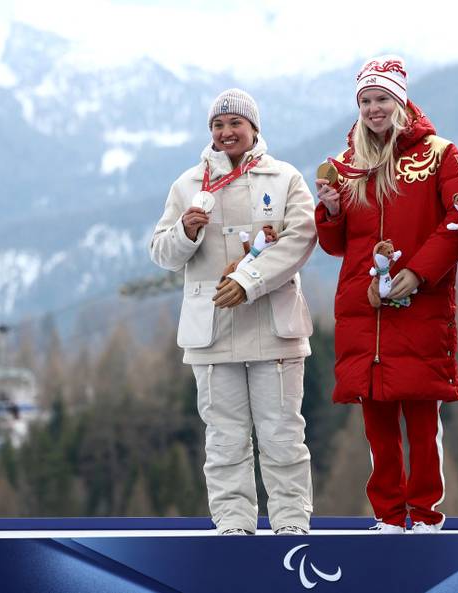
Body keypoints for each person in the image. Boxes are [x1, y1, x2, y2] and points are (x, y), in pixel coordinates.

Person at [315, 56, 458, 534]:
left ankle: (426, 515)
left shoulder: (440, 155)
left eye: (382, 98)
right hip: (364, 312)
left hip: (420, 310)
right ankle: (388, 516)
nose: (373, 108)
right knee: (378, 430)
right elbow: (335, 244)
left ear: (401, 101)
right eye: (365, 100)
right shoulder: (347, 164)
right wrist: (329, 212)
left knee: (422, 424)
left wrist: (418, 273)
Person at [150, 89, 316, 536]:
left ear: (254, 128)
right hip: (212, 331)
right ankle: (233, 525)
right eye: (218, 126)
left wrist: (250, 281)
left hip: (274, 325)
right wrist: (185, 231)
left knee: (281, 434)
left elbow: (300, 239)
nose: (226, 133)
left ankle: (291, 525)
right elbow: (161, 252)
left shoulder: (284, 179)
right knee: (224, 439)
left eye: (235, 124)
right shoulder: (188, 185)